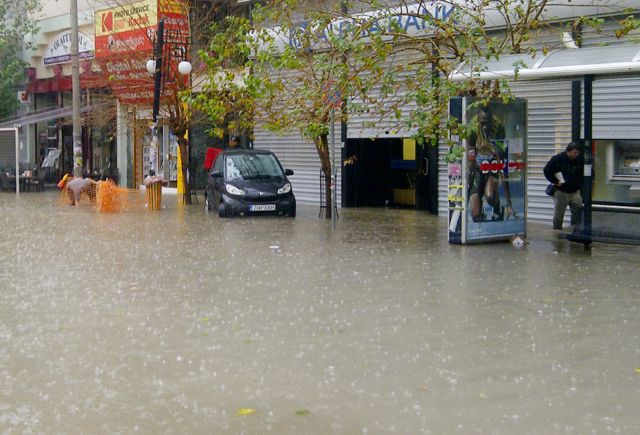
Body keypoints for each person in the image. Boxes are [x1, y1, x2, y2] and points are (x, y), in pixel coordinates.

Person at [467, 105, 514, 222]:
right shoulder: (472, 128)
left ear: (492, 120)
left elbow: (503, 166)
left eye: (488, 123)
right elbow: (470, 158)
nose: (485, 127)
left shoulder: (498, 128)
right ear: (478, 119)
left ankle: (497, 205)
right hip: (478, 167)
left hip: (492, 166)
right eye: (482, 123)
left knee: (490, 196)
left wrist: (509, 203)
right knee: (475, 215)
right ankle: (479, 209)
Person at [544, 142, 583, 230]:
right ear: (568, 151)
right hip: (561, 190)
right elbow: (546, 170)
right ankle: (557, 230)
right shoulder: (558, 159)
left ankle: (575, 229)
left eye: (578, 153)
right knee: (559, 213)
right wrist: (555, 181)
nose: (576, 155)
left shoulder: (579, 160)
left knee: (578, 210)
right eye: (575, 152)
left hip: (574, 191)